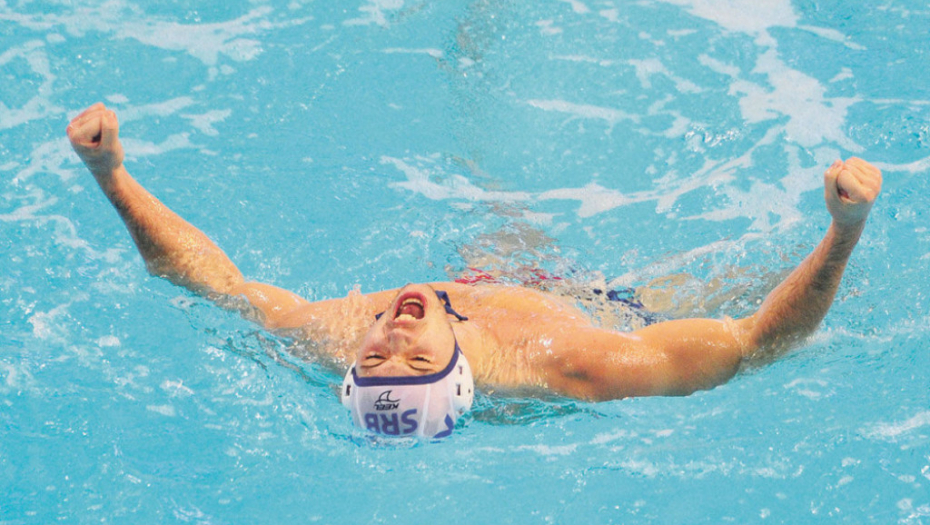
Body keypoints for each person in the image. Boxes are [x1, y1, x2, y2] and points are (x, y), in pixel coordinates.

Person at [67, 103, 883, 438]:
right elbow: (753, 342)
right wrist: (843, 232)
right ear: (455, 371)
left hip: (489, 273)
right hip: (604, 305)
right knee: (752, 284)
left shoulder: (334, 336)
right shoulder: (577, 365)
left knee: (488, 175)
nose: (392, 330)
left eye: (377, 354)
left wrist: (111, 175)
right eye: (413, 354)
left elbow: (214, 282)